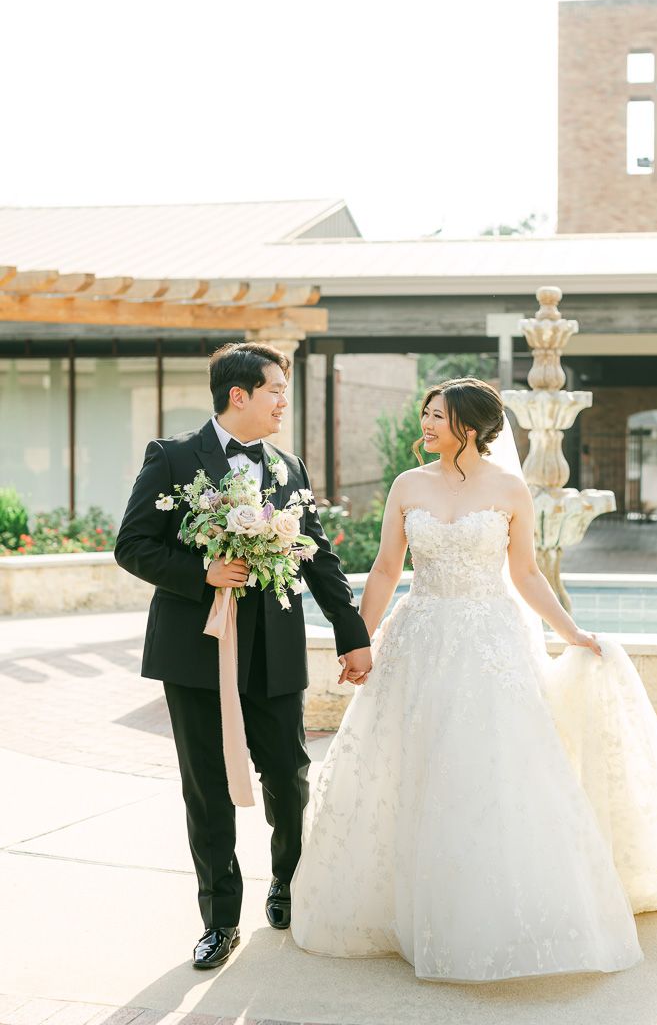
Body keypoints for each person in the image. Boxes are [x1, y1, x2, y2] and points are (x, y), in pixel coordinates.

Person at [291, 377, 657, 982]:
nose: (423, 426)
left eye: (435, 417)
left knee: (493, 770)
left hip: (489, 644)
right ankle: (412, 909)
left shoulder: (509, 488)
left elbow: (527, 573)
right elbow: (384, 570)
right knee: (414, 767)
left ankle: (488, 910)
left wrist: (570, 632)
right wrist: (359, 641)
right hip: (419, 638)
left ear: (469, 429)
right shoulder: (407, 485)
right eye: (423, 414)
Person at [114, 341, 371, 970]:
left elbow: (318, 554)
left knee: (287, 774)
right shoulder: (173, 458)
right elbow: (132, 545)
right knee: (206, 789)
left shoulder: (290, 467)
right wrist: (204, 570)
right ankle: (219, 918)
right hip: (194, 652)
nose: (285, 400)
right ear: (240, 394)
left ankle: (287, 882)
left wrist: (351, 629)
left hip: (273, 650)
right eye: (276, 389)